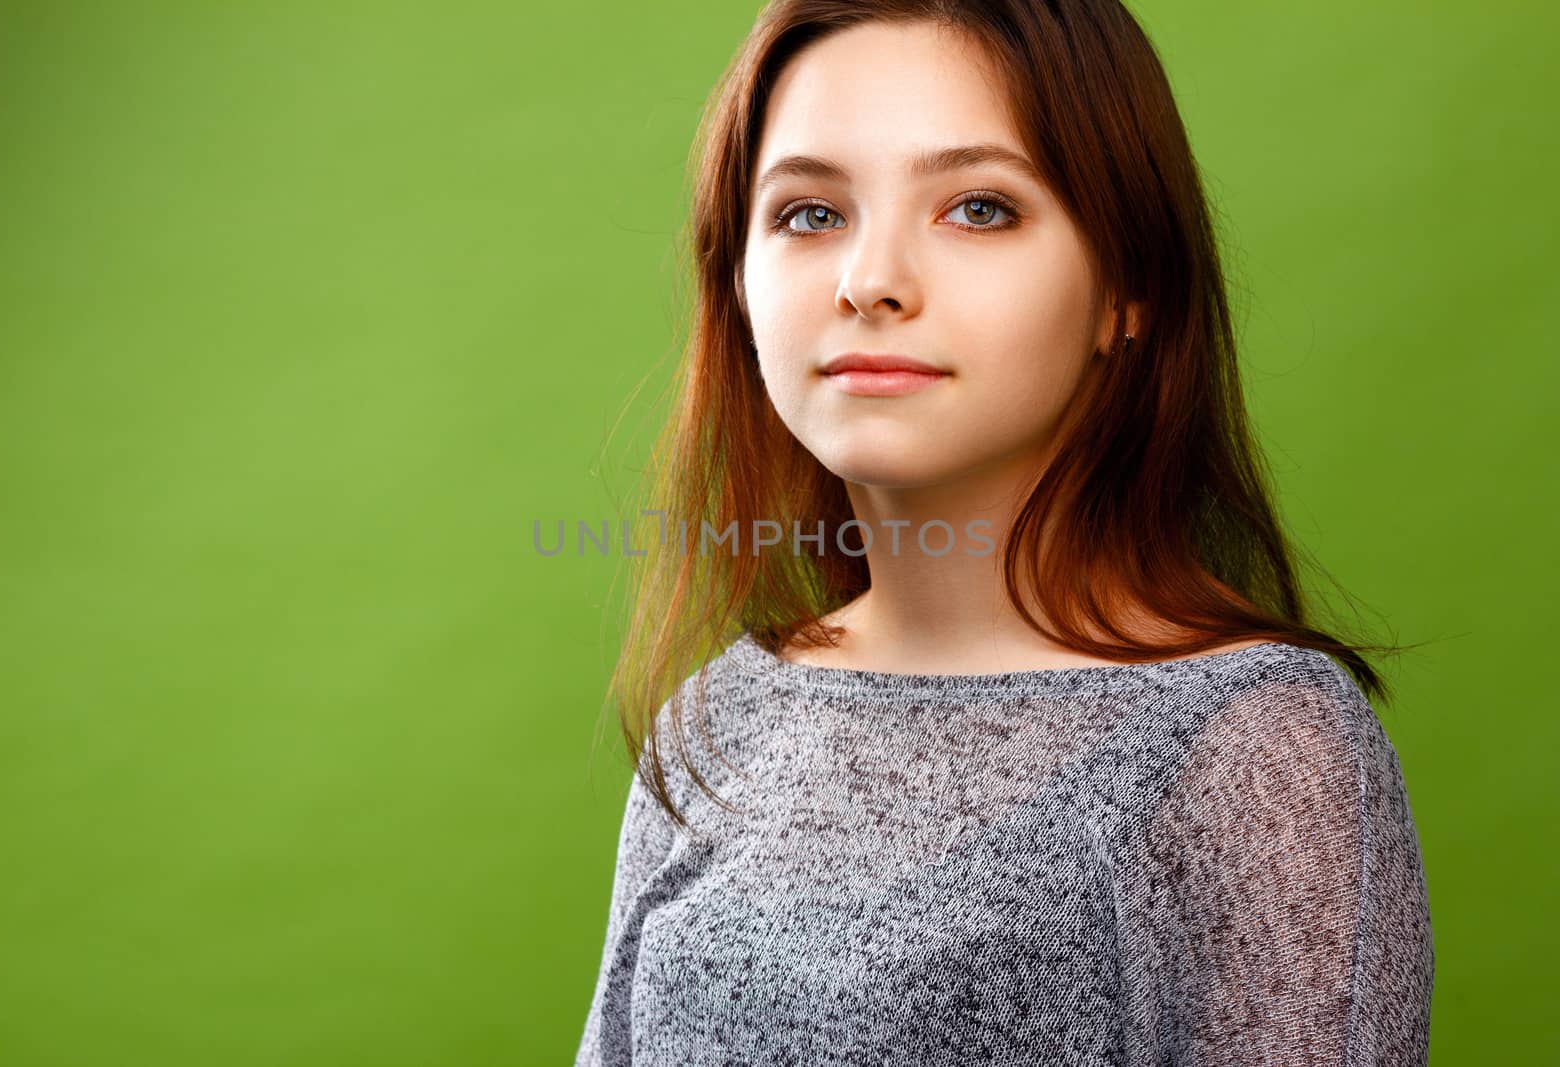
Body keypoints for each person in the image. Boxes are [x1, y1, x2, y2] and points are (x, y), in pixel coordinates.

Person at [576, 2, 1434, 1063]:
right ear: (735, 281)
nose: (870, 280)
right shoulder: (722, 715)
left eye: (978, 207)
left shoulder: (1250, 746)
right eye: (807, 213)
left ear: (1129, 285)